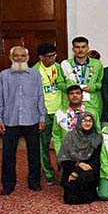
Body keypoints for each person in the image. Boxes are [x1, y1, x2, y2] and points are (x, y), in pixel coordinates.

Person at [0, 46, 47, 195]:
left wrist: (42, 117)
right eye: (16, 56)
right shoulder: (3, 76)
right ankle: (8, 184)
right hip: (10, 120)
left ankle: (34, 182)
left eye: (22, 56)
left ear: (28, 58)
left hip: (32, 119)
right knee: (8, 154)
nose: (19, 59)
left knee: (34, 153)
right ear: (11, 58)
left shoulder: (35, 75)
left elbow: (40, 97)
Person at [33, 43, 67, 185]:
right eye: (49, 56)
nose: (53, 58)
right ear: (41, 57)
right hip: (44, 112)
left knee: (64, 142)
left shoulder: (59, 67)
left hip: (60, 111)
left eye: (54, 55)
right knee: (44, 145)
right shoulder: (34, 71)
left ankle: (64, 169)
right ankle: (48, 172)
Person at [58, 111, 102, 205]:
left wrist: (78, 172)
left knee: (85, 178)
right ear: (79, 122)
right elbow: (64, 161)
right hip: (72, 166)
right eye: (84, 120)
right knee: (70, 197)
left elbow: (96, 160)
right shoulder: (70, 137)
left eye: (90, 121)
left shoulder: (96, 138)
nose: (87, 123)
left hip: (89, 168)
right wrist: (78, 165)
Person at [61, 36, 105, 117]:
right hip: (72, 104)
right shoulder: (66, 64)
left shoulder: (97, 64)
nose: (80, 50)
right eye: (77, 47)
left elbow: (100, 83)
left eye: (83, 47)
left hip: (91, 104)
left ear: (88, 48)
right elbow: (60, 84)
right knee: (72, 128)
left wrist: (92, 87)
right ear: (73, 49)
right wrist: (71, 88)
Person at [52, 86, 95, 160]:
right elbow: (56, 135)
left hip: (87, 153)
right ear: (67, 97)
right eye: (71, 93)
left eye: (78, 93)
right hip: (67, 153)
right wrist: (60, 152)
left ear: (82, 96)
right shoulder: (60, 113)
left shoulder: (92, 112)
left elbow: (97, 134)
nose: (75, 95)